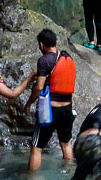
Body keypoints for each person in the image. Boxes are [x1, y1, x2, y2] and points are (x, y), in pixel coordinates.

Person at [24, 29, 77, 172]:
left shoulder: (44, 60)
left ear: (41, 45)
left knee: (37, 147)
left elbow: (39, 86)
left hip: (50, 111)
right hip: (67, 109)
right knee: (66, 144)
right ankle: (69, 172)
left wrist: (29, 103)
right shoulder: (68, 58)